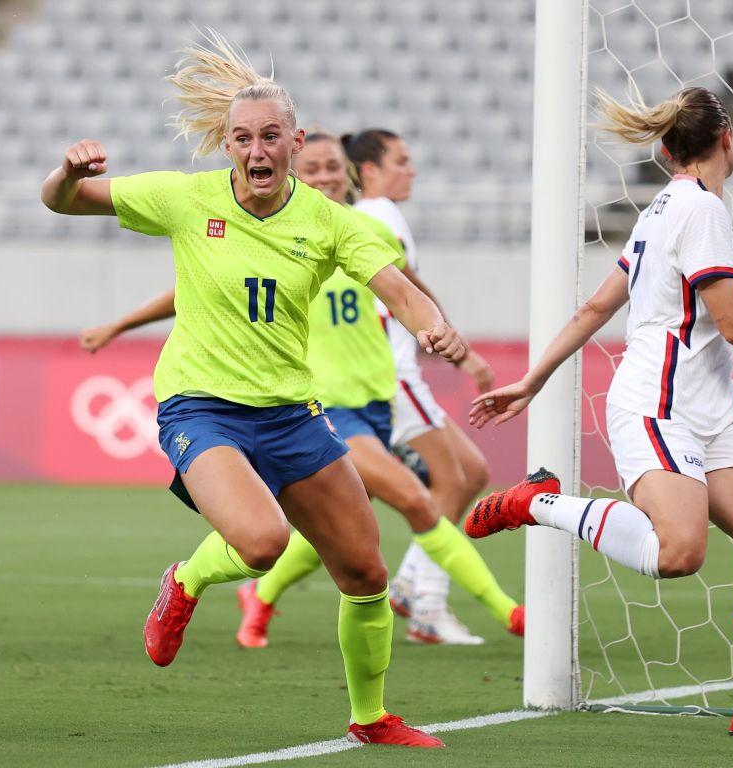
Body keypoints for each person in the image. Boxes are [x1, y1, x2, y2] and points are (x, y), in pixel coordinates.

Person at [43, 31, 453, 748]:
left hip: (292, 412)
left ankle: (370, 718)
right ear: (225, 146)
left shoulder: (328, 221)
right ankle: (186, 579)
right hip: (201, 407)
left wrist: (432, 325)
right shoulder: (184, 197)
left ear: (294, 143)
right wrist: (65, 172)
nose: (257, 151)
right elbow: (66, 203)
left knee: (364, 568)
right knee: (263, 543)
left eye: (270, 137)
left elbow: (397, 286)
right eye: (242, 139)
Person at [464, 86, 733, 743]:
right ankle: (538, 504)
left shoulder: (660, 210)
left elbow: (597, 308)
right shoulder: (700, 212)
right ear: (727, 140)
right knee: (678, 553)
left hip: (709, 412)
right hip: (659, 407)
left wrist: (533, 379)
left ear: (663, 147)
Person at [81, 133, 523, 647]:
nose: (327, 177)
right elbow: (191, 291)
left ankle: (265, 600)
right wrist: (119, 325)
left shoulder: (351, 230)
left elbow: (408, 290)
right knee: (417, 501)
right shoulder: (263, 225)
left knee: (339, 544)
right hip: (324, 403)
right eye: (314, 169)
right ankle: (494, 611)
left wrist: (448, 336)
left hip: (375, 396)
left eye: (335, 167)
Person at [342, 129, 500, 633]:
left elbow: (407, 284)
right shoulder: (374, 216)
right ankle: (423, 601)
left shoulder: (379, 216)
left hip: (396, 369)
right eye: (401, 161)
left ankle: (414, 586)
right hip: (388, 372)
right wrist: (459, 350)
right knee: (451, 478)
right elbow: (403, 288)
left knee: (471, 471)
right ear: (369, 170)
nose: (411, 170)